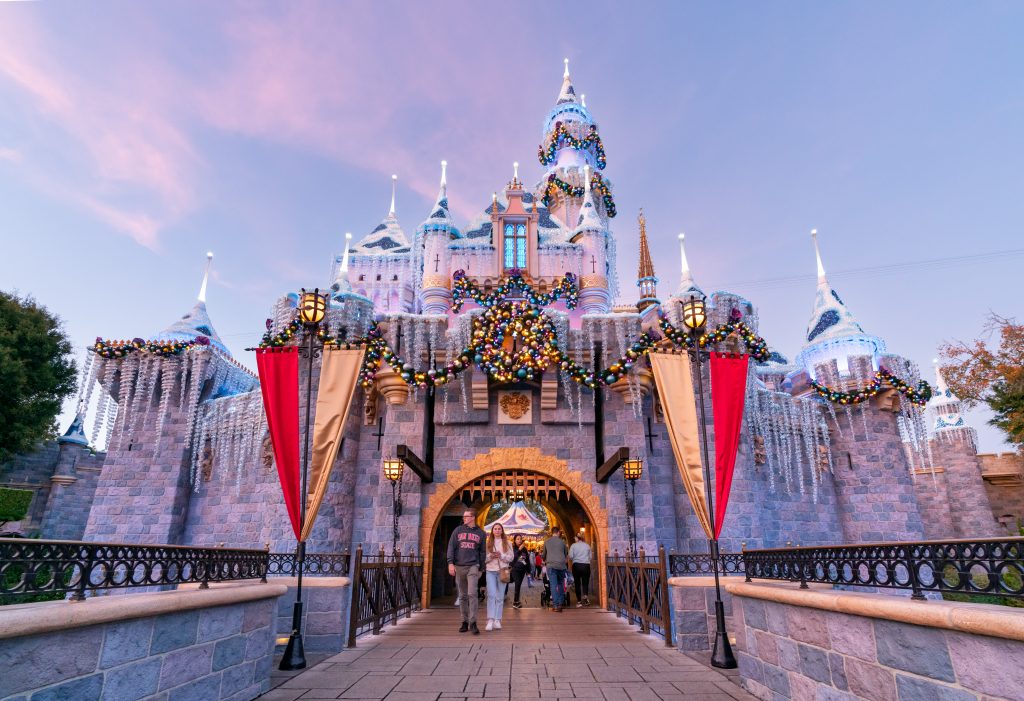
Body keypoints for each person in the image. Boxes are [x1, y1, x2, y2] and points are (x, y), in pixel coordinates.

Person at [447, 508, 485, 634]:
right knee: (462, 596)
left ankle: (473, 622)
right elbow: (451, 547)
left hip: (473, 566)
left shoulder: (480, 533)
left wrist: (481, 568)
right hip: (459, 566)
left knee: (472, 593)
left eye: (466, 516)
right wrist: (450, 563)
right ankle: (464, 621)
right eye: (463, 516)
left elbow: (482, 552)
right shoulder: (457, 531)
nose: (464, 518)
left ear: (473, 517)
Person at [484, 522, 514, 630]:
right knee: (491, 595)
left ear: (502, 530)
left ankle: (497, 619)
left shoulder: (508, 543)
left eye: (499, 529)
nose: (497, 530)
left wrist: (502, 556)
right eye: (495, 529)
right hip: (490, 571)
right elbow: (484, 559)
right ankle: (490, 619)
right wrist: (490, 556)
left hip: (502, 571)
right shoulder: (488, 543)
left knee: (500, 596)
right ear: (492, 531)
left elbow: (511, 558)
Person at [542, 526, 568, 612]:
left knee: (553, 584)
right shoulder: (562, 542)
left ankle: (555, 605)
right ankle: (561, 603)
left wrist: (545, 560)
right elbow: (565, 553)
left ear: (552, 532)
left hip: (551, 565)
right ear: (558, 532)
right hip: (561, 566)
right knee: (561, 584)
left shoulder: (547, 542)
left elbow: (544, 555)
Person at [568, 534, 592, 607]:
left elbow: (571, 556)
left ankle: (579, 601)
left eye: (575, 538)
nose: (574, 539)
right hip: (586, 565)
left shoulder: (573, 546)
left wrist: (576, 557)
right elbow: (590, 557)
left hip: (577, 566)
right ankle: (585, 597)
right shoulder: (587, 546)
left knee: (577, 584)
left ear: (577, 538)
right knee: (585, 583)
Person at [509, 534, 531, 609]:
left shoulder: (524, 549)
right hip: (515, 569)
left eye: (520, 539)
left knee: (518, 586)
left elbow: (527, 560)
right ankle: (515, 602)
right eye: (517, 539)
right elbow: (513, 557)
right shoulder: (513, 548)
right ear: (514, 540)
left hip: (522, 570)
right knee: (517, 585)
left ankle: (517, 601)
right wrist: (519, 550)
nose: (519, 540)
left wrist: (528, 571)